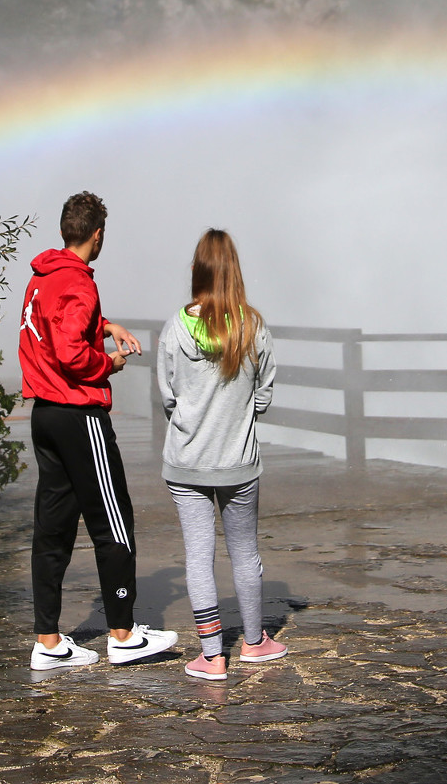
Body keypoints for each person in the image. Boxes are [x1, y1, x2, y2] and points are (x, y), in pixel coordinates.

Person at [20, 191, 179, 669]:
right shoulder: (78, 284)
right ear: (97, 234)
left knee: (53, 529)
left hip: (45, 414)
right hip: (78, 415)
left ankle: (48, 643)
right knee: (114, 522)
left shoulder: (41, 278)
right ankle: (124, 635)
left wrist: (106, 325)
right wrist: (107, 363)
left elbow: (57, 325)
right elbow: (71, 354)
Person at [157, 228, 285, 680]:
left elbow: (168, 397)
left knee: (198, 557)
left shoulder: (175, 326)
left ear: (197, 271)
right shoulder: (253, 326)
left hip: (187, 460)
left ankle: (212, 656)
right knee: (245, 553)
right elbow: (264, 396)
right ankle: (254, 643)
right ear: (234, 272)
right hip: (238, 462)